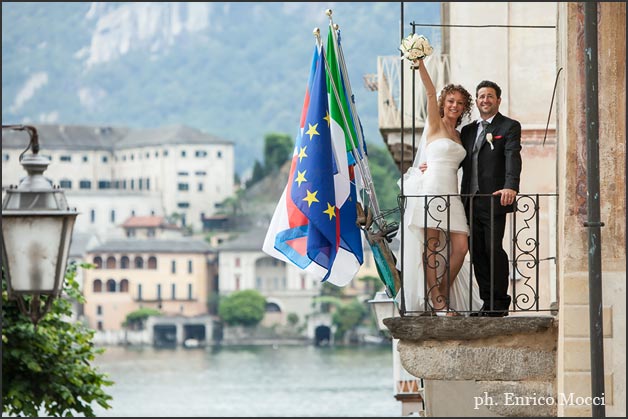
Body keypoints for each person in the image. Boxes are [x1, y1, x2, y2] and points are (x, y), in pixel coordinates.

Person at [393, 56, 483, 315]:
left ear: (464, 108)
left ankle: (439, 293)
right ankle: (439, 302)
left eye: (460, 103)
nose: (454, 105)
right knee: (431, 245)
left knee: (461, 246)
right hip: (432, 189)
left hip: (452, 193)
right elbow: (430, 93)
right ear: (444, 103)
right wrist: (419, 62)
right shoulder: (435, 124)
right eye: (451, 101)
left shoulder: (460, 134)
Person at [459, 80, 522, 317]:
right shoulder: (467, 131)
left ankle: (500, 303)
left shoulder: (509, 127)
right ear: (476, 101)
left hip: (494, 198)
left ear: (498, 100)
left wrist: (510, 187)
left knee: (493, 249)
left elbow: (512, 157)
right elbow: (457, 159)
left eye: (490, 96)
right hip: (469, 201)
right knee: (477, 253)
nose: (485, 100)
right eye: (481, 96)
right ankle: (487, 302)